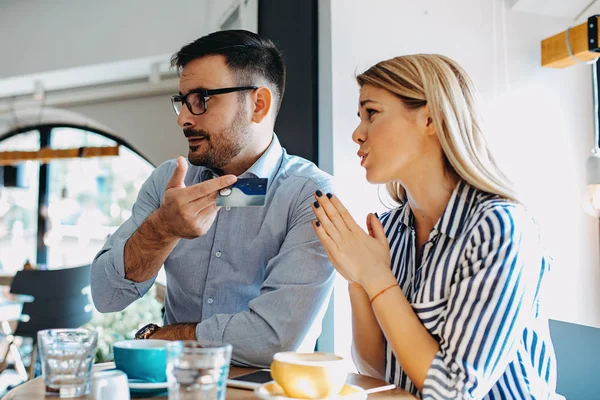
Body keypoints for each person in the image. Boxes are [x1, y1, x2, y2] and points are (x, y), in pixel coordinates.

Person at [311, 54, 558, 399]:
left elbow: (454, 392)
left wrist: (377, 279)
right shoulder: (389, 229)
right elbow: (380, 371)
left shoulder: (499, 228)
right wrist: (358, 277)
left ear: (430, 119)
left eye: (372, 113)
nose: (357, 133)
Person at [90, 30, 335, 367]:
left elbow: (276, 339)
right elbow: (105, 296)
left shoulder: (311, 196)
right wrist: (160, 231)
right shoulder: (167, 182)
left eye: (202, 98)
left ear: (258, 105)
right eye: (183, 100)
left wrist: (169, 336)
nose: (183, 118)